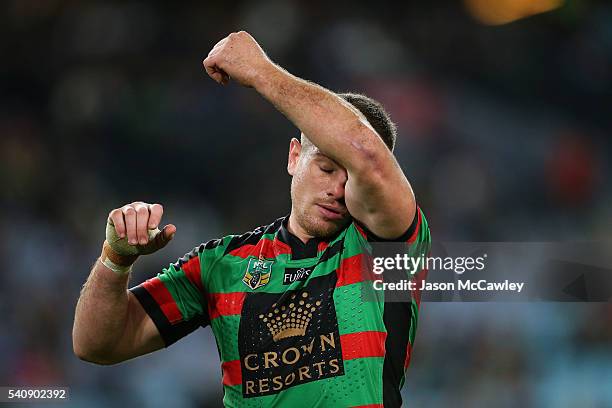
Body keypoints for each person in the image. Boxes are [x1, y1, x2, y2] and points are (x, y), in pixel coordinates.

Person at [73, 31, 431, 408]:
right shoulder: (220, 264)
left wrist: (260, 71)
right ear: (294, 157)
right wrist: (115, 259)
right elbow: (96, 344)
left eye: (353, 181)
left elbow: (367, 156)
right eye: (326, 168)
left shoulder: (387, 247)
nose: (338, 190)